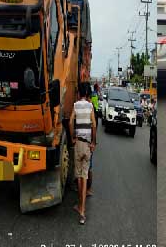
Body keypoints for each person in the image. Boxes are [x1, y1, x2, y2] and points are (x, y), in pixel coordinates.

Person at [69, 82, 97, 224]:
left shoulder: (75, 105)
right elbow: (94, 125)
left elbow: (70, 122)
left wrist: (73, 137)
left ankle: (79, 205)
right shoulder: (90, 106)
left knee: (79, 176)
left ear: (79, 93)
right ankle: (82, 211)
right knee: (84, 176)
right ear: (88, 93)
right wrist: (93, 143)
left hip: (79, 143)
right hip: (87, 145)